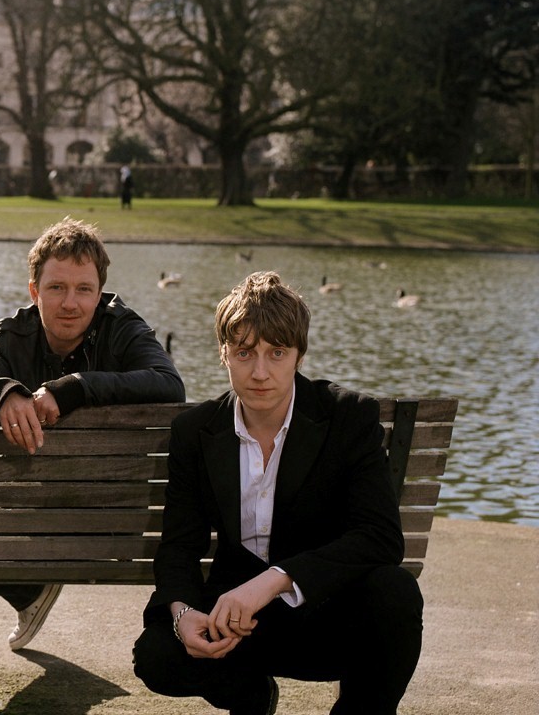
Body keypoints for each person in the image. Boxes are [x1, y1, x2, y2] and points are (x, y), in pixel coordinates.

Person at [132, 271, 423, 714]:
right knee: (156, 655)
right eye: (244, 353)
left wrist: (273, 581)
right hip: (237, 624)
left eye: (277, 352)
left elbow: (380, 538)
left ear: (299, 355)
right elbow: (178, 547)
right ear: (224, 354)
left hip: (325, 613)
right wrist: (182, 614)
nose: (260, 372)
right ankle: (252, 697)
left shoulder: (348, 417)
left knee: (396, 595)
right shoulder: (195, 431)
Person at [0, 217, 185, 651]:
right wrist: (4, 392)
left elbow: (169, 384)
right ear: (34, 291)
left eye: (84, 289)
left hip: (108, 521)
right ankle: (30, 593)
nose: (70, 302)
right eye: (56, 288)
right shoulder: (12, 334)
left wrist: (77, 387)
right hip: (42, 511)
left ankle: (29, 593)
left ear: (100, 294)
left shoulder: (123, 328)